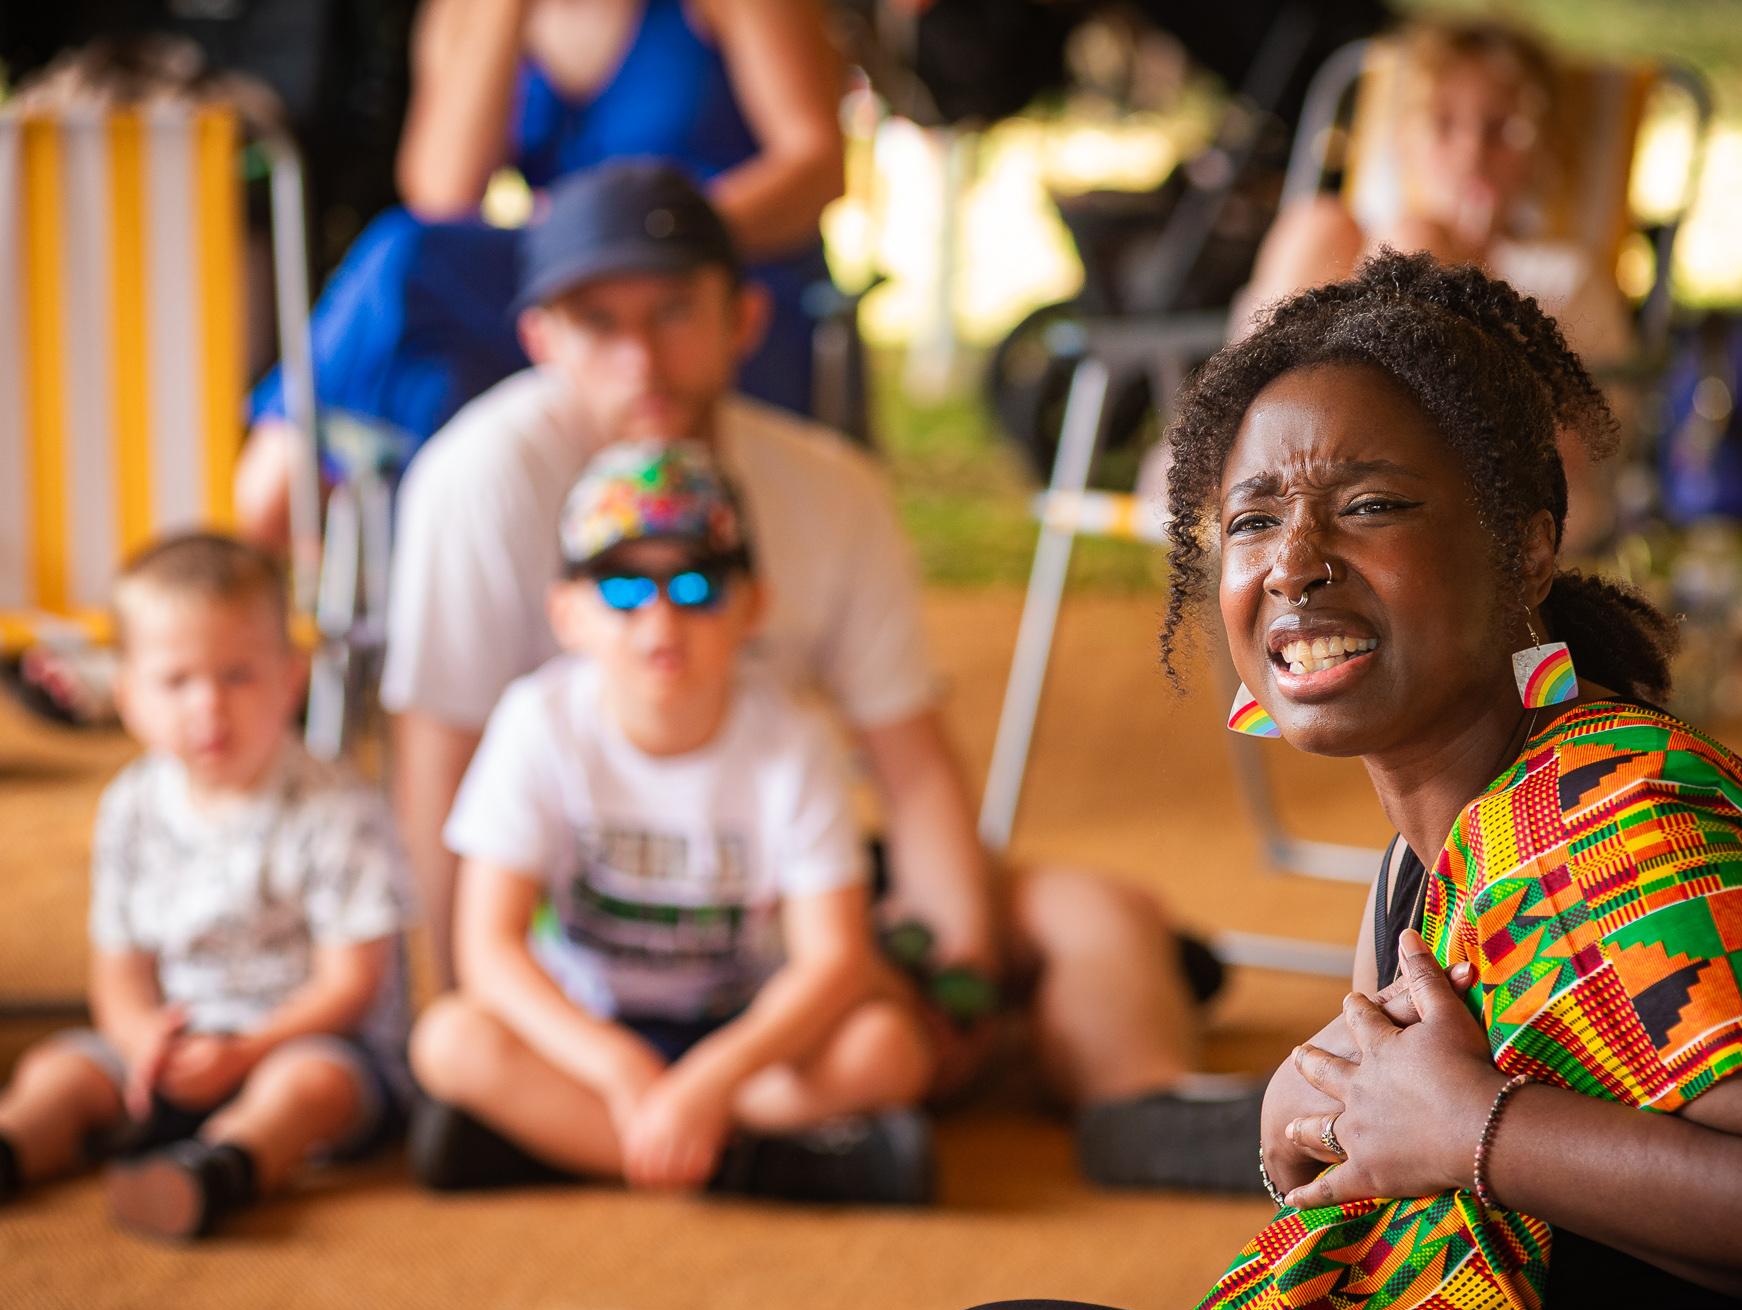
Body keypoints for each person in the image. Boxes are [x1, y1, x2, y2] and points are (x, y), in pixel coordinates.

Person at [877, 252, 1742, 1310]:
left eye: (1369, 507)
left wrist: (1474, 1132)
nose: (1295, 563)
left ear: (1524, 549)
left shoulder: (1608, 819)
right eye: (1251, 520)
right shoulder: (1437, 851)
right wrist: (1329, 1120)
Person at [382, 158, 1255, 1191]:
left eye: (671, 311)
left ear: (741, 319)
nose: (640, 358)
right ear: (539, 340)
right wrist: (461, 1017)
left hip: (786, 869)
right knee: (474, 1041)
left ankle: (1136, 1106)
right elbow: (437, 762)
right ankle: (779, 1144)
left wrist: (959, 974)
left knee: (1099, 911)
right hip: (583, 901)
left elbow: (910, 762)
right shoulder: (475, 479)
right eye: (597, 324)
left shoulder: (830, 491)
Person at [406, 445, 936, 1199]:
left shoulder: (794, 740)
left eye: (697, 585)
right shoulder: (537, 722)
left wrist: (709, 1083)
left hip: (741, 1032)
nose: (661, 617)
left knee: (888, 1048)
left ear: (754, 604)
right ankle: (762, 1166)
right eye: (623, 587)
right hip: (587, 1028)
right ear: (567, 614)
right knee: (450, 1040)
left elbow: (834, 961)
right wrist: (618, 1068)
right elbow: (488, 948)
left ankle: (574, 1144)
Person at [233, 0, 847, 547]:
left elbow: (816, 162)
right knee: (423, 317)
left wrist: (642, 231)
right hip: (579, 294)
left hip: (718, 280)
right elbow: (444, 191)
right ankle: (422, 560)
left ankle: (290, 466)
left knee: (411, 258)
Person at [0, 534, 412, 1240]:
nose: (209, 707)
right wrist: (140, 1043)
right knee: (58, 1069)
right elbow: (120, 975)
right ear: (126, 694)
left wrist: (247, 1052)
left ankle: (221, 1167)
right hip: (173, 1051)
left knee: (308, 1088)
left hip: (303, 1040)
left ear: (292, 678)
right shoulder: (129, 807)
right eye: (177, 681)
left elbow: (353, 986)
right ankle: (16, 1143)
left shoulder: (336, 809)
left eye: (237, 676)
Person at [1222, 15, 1630, 555]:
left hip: (1492, 497)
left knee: (1416, 241)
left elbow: (1590, 436)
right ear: (1403, 141)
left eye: (1502, 130)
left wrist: (1471, 280)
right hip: (1310, 476)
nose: (1471, 154)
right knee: (1318, 222)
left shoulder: (1562, 272)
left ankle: (1327, 492)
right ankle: (1259, 477)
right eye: (1444, 125)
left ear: (1544, 149)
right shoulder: (1344, 244)